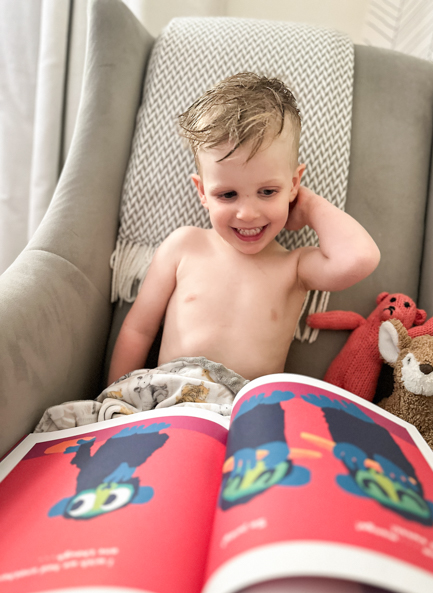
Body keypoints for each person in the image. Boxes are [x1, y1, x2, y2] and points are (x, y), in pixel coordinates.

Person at [108, 72, 380, 386]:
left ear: (293, 183)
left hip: (247, 406)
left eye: (268, 192)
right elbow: (138, 330)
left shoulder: (293, 268)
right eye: (228, 195)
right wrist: (115, 397)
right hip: (170, 399)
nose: (247, 214)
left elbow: (360, 259)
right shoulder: (184, 246)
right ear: (202, 192)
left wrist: (308, 205)